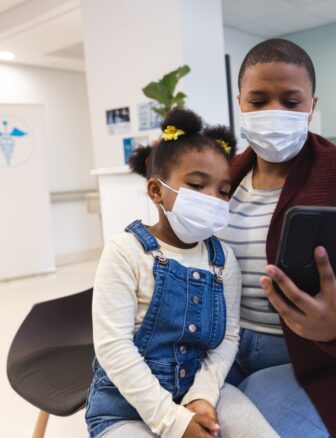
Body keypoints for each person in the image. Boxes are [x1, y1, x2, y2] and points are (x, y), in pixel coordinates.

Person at [218, 39, 336, 437]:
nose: (274, 113)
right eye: (258, 100)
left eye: (291, 102)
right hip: (222, 352)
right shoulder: (221, 179)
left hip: (318, 362)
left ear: (312, 104)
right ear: (240, 103)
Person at [85, 108, 278, 438]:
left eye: (223, 191)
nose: (213, 199)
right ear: (156, 191)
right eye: (197, 185)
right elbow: (113, 347)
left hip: (200, 391)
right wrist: (174, 422)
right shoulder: (125, 252)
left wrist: (202, 396)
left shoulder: (223, 260)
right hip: (124, 406)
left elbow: (227, 338)